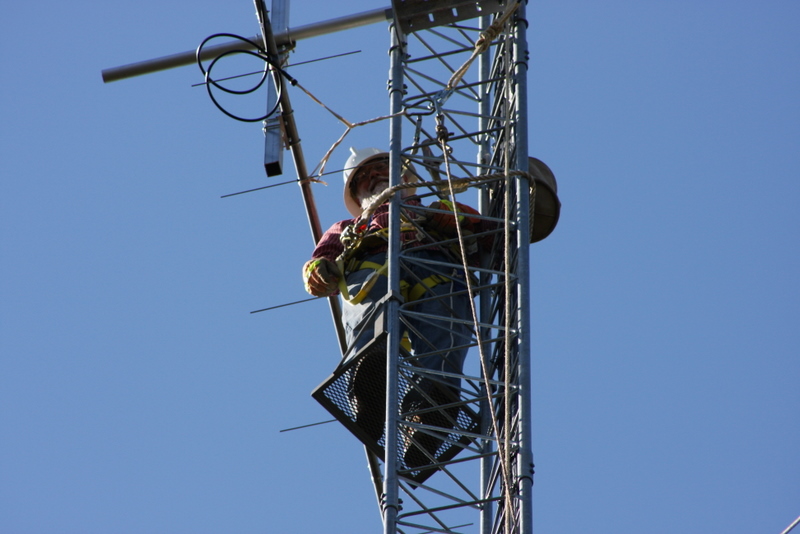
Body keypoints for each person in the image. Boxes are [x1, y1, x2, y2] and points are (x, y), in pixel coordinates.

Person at [302, 147, 483, 470]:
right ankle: (369, 383)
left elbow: (486, 230)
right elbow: (321, 258)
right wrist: (316, 272)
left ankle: (429, 411)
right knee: (371, 321)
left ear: (407, 178)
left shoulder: (438, 209)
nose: (373, 177)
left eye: (382, 168)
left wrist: (452, 216)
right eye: (363, 177)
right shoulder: (347, 227)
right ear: (356, 194)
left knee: (444, 328)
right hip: (373, 269)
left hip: (436, 267)